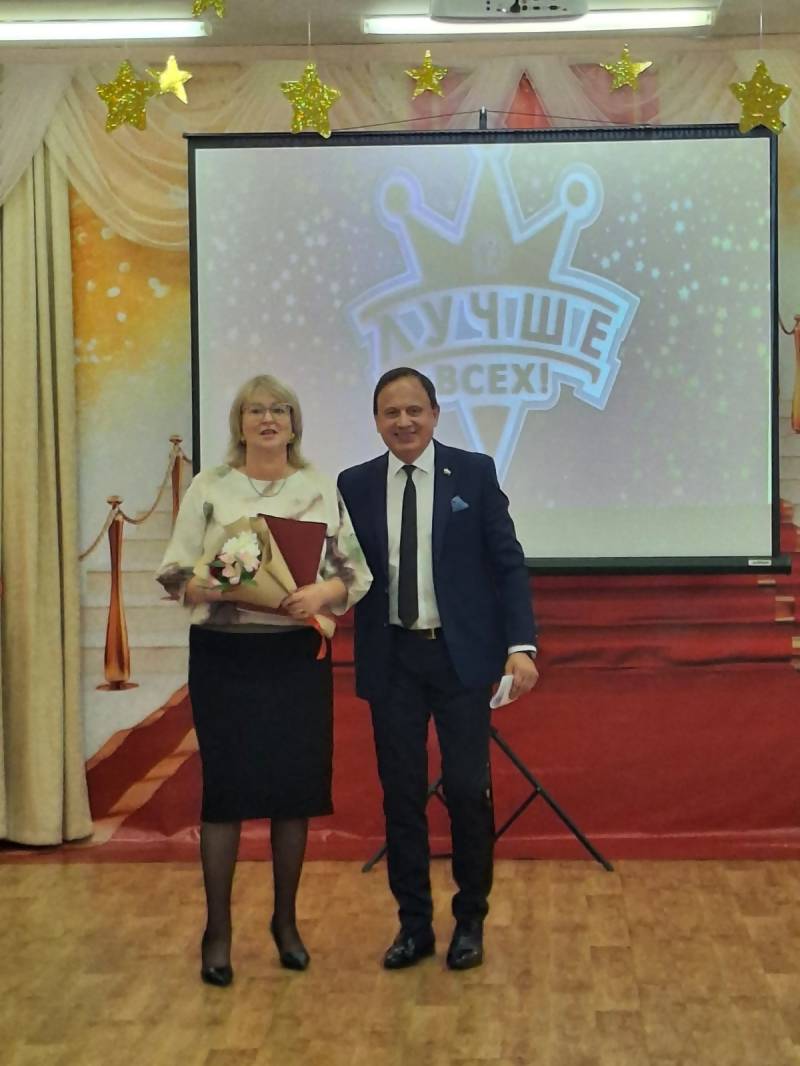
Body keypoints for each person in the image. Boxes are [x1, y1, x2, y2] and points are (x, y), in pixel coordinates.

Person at [157, 373, 371, 987]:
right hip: (224, 657)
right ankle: (217, 932)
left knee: (292, 792)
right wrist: (219, 585)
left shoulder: (317, 486)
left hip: (294, 659)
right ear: (240, 423)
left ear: (294, 423)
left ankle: (286, 923)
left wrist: (319, 595)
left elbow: (354, 573)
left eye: (279, 409)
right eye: (255, 410)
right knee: (224, 793)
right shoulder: (210, 486)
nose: (268, 419)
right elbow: (174, 573)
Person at [338, 367, 539, 971]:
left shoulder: (472, 473)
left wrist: (521, 645)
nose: (403, 422)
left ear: (434, 414)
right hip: (392, 658)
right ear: (376, 421)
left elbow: (508, 564)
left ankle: (470, 919)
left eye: (414, 410)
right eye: (390, 412)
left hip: (460, 658)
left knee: (466, 790)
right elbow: (342, 570)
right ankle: (414, 925)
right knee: (401, 796)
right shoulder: (354, 484)